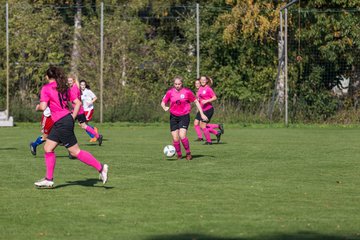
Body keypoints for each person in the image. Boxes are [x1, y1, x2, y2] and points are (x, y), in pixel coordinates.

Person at [34, 66, 108, 188]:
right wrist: (72, 117)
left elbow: (42, 107)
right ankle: (48, 179)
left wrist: (37, 107)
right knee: (48, 148)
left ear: (47, 77)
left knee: (75, 152)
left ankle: (101, 168)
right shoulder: (63, 86)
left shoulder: (46, 88)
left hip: (62, 122)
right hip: (63, 121)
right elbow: (77, 103)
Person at [161, 76, 208, 160]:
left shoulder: (187, 92)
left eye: (179, 84)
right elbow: (163, 102)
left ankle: (188, 153)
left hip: (184, 116)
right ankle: (179, 155)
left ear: (182, 83)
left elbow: (196, 101)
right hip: (173, 117)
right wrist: (165, 107)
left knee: (182, 136)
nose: (177, 85)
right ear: (173, 84)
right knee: (175, 138)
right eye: (175, 84)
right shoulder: (170, 92)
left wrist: (202, 113)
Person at [68, 76, 103, 146]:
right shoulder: (75, 88)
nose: (69, 82)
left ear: (74, 81)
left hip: (77, 110)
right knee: (83, 125)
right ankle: (98, 136)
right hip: (79, 110)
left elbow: (76, 102)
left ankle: (66, 141)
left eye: (70, 81)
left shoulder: (74, 89)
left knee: (68, 124)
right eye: (68, 81)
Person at [196, 75, 224, 145]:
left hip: (208, 110)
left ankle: (209, 141)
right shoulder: (200, 88)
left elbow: (214, 97)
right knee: (202, 126)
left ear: (206, 81)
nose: (202, 81)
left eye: (204, 80)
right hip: (203, 110)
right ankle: (216, 132)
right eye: (201, 80)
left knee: (202, 126)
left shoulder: (208, 89)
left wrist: (207, 101)